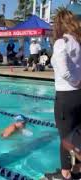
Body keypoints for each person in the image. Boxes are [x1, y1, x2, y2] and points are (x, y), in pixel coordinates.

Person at [45, 9, 81, 180]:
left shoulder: (62, 42)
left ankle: (65, 174)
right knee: (78, 133)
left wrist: (76, 81)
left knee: (65, 136)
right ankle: (77, 169)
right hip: (79, 96)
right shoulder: (78, 41)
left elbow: (64, 72)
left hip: (66, 96)